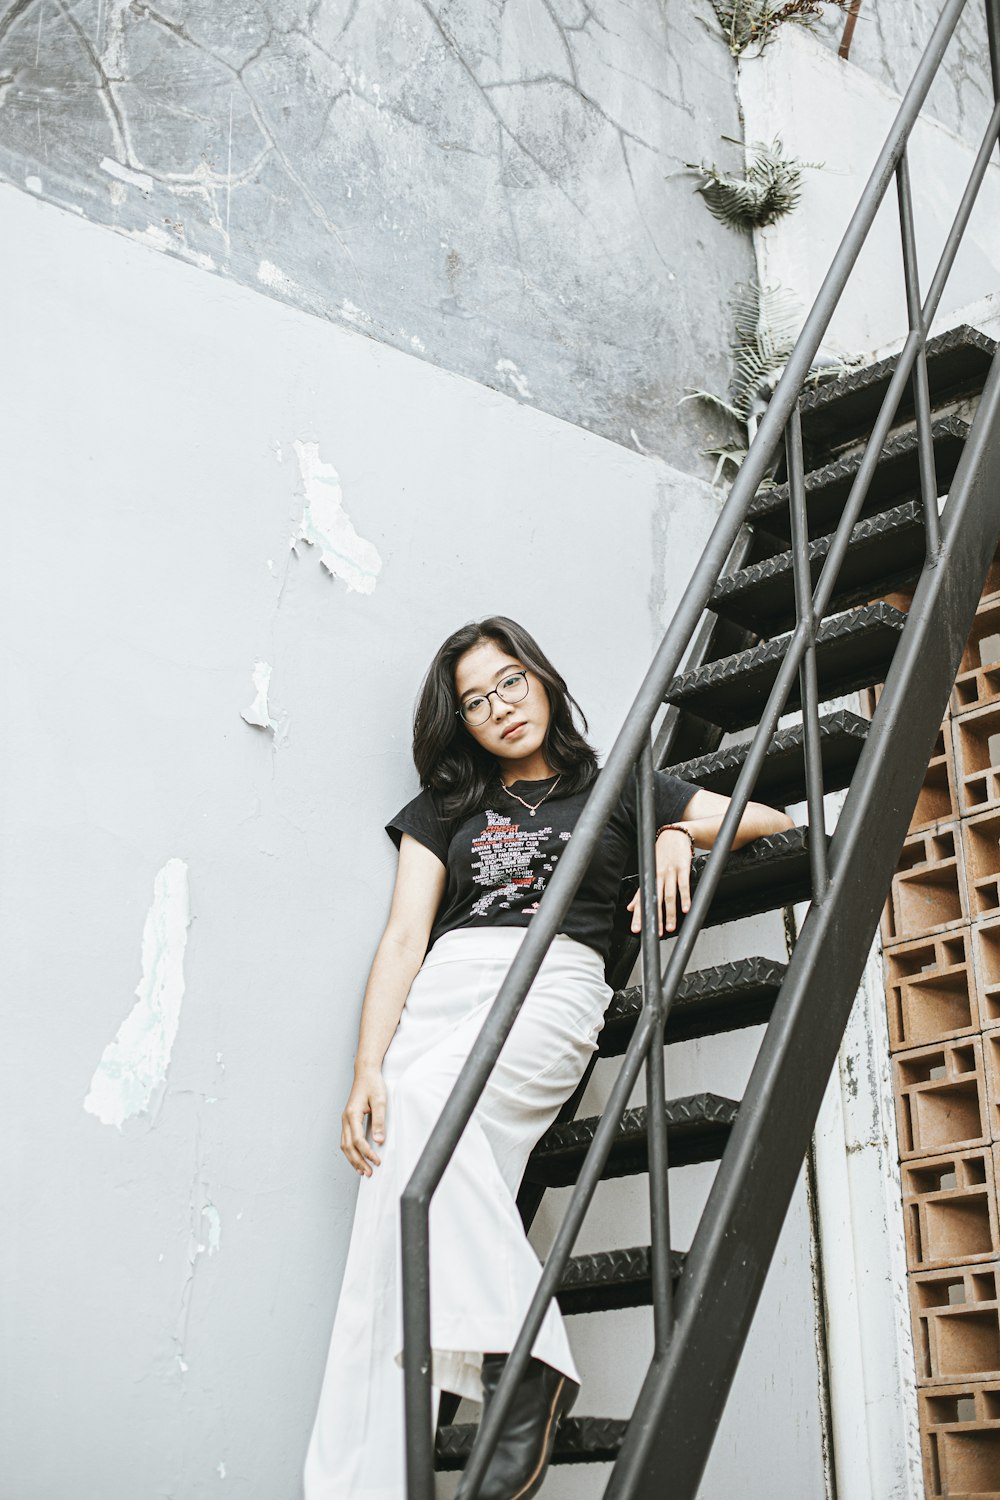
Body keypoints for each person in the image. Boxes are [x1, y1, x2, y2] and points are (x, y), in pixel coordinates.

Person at [302, 616, 794, 1500]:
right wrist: (366, 1066)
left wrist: (674, 833)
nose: (499, 707)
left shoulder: (617, 789)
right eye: (476, 700)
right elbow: (405, 935)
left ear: (542, 679)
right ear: (463, 721)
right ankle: (359, 1484)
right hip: (446, 991)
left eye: (510, 683)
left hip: (554, 982)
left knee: (427, 1140)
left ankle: (527, 1360)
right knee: (388, 1220)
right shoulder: (445, 810)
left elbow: (766, 813)